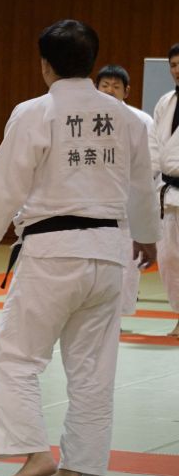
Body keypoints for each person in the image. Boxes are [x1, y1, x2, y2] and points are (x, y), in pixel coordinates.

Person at [0, 19, 160, 476]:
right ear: (92, 62)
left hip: (53, 252)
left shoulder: (36, 112)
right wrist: (147, 236)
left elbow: (7, 179)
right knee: (93, 373)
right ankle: (80, 467)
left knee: (15, 358)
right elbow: (141, 187)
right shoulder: (127, 118)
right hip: (109, 252)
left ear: (45, 65)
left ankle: (35, 453)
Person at [95, 64, 157, 317]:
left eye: (116, 86)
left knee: (127, 263)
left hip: (127, 201)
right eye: (105, 85)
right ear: (95, 88)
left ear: (127, 91)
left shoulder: (141, 121)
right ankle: (97, 314)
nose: (110, 90)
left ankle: (117, 316)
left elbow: (149, 166)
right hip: (92, 201)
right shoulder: (84, 119)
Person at [150, 43, 179, 337]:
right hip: (167, 193)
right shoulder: (164, 102)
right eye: (173, 65)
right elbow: (153, 148)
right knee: (169, 260)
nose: (177, 70)